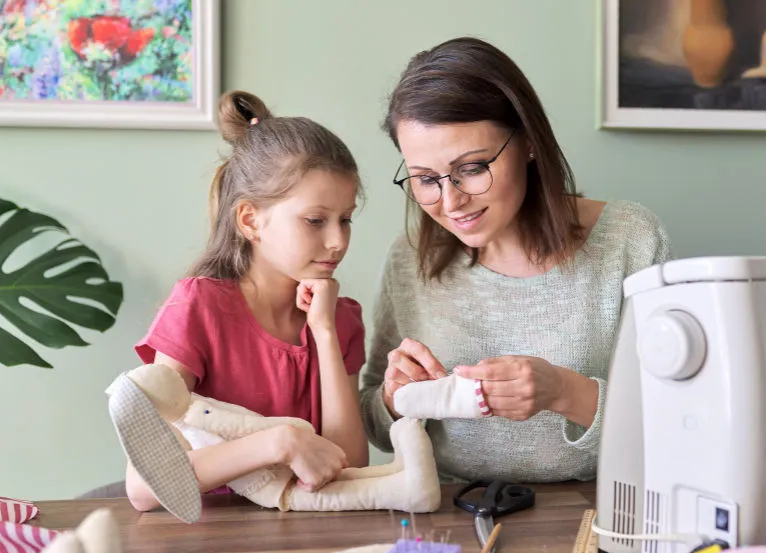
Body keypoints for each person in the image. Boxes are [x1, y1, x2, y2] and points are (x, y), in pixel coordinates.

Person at [360, 37, 673, 484]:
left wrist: (565, 392)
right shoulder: (409, 257)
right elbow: (377, 424)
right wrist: (393, 398)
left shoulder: (630, 240)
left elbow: (676, 415)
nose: (451, 202)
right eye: (426, 179)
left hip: (598, 511)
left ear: (527, 141)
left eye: (471, 168)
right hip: (449, 512)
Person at [126, 90, 368, 511]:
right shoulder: (198, 309)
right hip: (213, 542)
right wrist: (279, 442)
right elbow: (145, 487)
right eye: (316, 221)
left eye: (345, 220)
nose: (337, 242)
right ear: (250, 220)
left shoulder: (340, 319)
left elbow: (349, 470)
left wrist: (324, 333)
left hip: (310, 533)